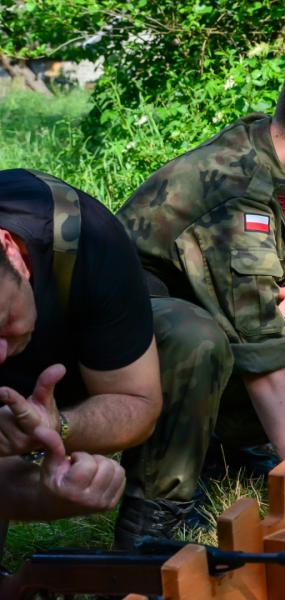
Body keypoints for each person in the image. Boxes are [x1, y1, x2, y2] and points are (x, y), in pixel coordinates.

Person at [115, 43, 285, 543]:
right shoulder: (237, 193)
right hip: (148, 339)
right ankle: (170, 487)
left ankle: (227, 446)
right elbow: (263, 365)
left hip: (217, 312)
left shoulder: (280, 149)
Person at [0, 168, 161, 521]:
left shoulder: (87, 239)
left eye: (3, 321)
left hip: (76, 361)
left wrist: (57, 426)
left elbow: (138, 400)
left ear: (11, 252)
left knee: (187, 334)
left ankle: (153, 517)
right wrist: (43, 497)